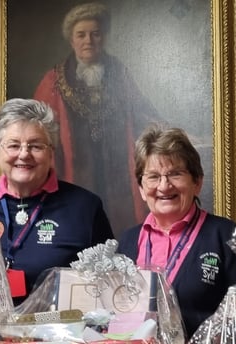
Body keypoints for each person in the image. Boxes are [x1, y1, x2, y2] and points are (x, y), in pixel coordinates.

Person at [0, 98, 114, 301]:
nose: (24, 154)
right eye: (14, 145)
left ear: (51, 153)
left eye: (35, 146)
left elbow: (108, 287)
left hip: (59, 329)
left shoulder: (85, 207)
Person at [33, 2, 161, 237]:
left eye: (95, 34)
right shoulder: (54, 80)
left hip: (117, 166)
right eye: (81, 35)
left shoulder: (119, 73)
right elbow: (38, 130)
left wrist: (164, 129)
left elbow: (141, 110)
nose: (88, 41)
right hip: (74, 168)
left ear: (103, 38)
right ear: (71, 40)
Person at [117, 124, 236, 338]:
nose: (164, 186)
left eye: (175, 174)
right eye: (153, 176)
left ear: (197, 182)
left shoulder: (225, 235)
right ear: (141, 189)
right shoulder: (128, 241)